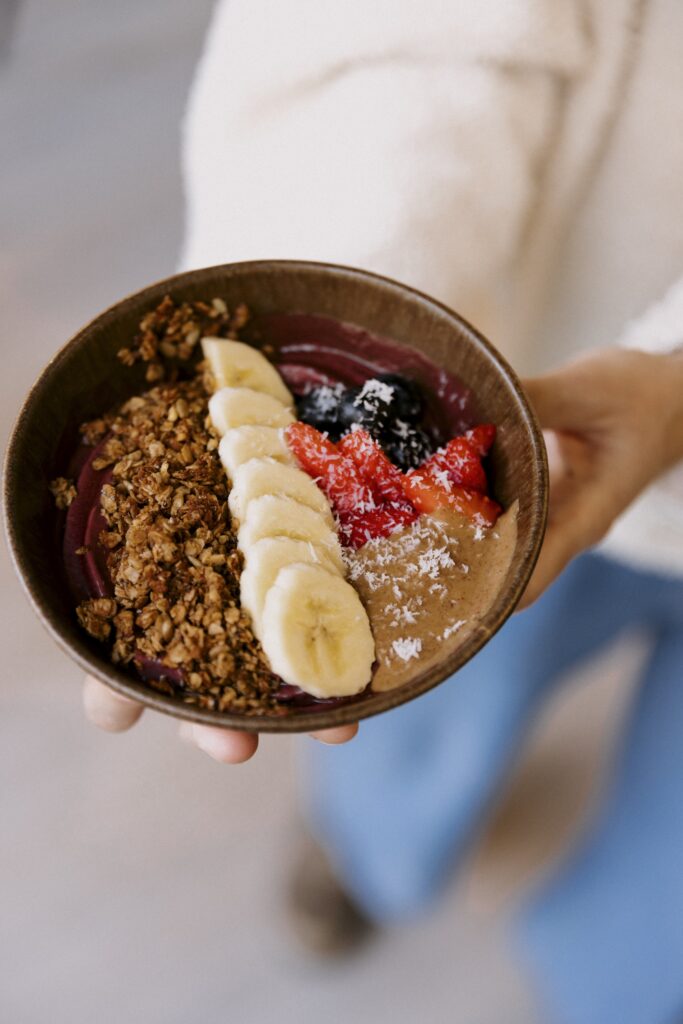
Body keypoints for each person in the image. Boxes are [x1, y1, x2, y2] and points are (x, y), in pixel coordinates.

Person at [85, 3, 683, 1022]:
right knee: (423, 700)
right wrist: (352, 292)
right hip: (537, 423)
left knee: (647, 946)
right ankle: (376, 853)